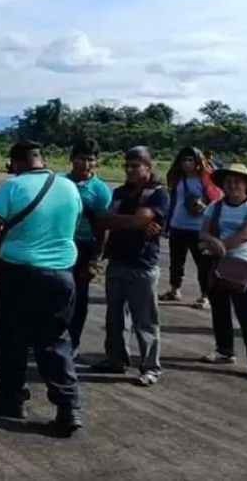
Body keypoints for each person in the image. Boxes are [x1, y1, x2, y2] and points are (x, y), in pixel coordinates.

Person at [0, 141, 83, 436]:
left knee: (12, 339)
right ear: (42, 159)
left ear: (16, 162)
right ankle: (68, 408)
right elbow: (71, 224)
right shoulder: (68, 187)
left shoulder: (13, 186)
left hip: (19, 275)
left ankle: (11, 398)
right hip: (62, 275)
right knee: (55, 341)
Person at [91, 146, 169, 387]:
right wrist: (134, 223)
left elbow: (136, 219)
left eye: (136, 165)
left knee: (144, 319)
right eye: (127, 165)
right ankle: (116, 358)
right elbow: (103, 220)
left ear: (149, 166)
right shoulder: (120, 192)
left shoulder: (158, 193)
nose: (130, 170)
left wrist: (128, 222)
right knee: (114, 316)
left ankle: (151, 366)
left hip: (142, 263)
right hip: (117, 259)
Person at [198, 164, 247, 382]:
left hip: (242, 267)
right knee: (219, 310)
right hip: (217, 266)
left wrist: (220, 246)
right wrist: (211, 241)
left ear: (246, 185)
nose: (233, 185)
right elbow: (203, 230)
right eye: (229, 182)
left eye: (237, 181)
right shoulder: (215, 206)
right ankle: (224, 351)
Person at [63, 139, 112, 355]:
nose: (86, 163)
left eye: (90, 159)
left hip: (84, 246)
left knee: (78, 298)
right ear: (71, 159)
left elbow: (104, 226)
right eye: (81, 158)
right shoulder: (59, 182)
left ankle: (72, 342)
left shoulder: (100, 190)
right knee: (52, 295)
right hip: (60, 244)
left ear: (96, 162)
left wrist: (96, 259)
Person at [159, 146, 222, 309]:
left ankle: (205, 295)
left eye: (191, 160)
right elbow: (173, 203)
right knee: (176, 261)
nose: (187, 164)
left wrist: (204, 207)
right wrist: (166, 225)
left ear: (198, 161)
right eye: (184, 160)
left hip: (199, 228)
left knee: (203, 264)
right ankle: (175, 290)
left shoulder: (206, 180)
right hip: (178, 225)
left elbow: (216, 202)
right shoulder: (178, 179)